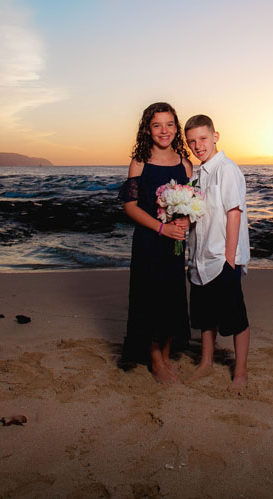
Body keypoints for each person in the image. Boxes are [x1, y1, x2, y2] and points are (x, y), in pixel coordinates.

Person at [119, 102, 193, 383]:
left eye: (170, 124)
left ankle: (166, 350)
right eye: (157, 125)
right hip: (150, 239)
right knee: (149, 297)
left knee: (173, 296)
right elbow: (131, 207)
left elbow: (189, 202)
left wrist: (185, 221)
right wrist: (162, 229)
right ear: (147, 130)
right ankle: (155, 358)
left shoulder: (185, 163)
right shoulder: (140, 162)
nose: (165, 130)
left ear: (176, 126)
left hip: (175, 241)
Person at [183, 114, 251, 391]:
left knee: (235, 317)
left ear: (215, 136)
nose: (197, 145)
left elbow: (233, 214)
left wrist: (229, 258)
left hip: (223, 257)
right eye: (191, 141)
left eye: (202, 138)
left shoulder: (227, 169)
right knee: (204, 315)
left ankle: (241, 372)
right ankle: (206, 361)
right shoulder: (198, 174)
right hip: (201, 255)